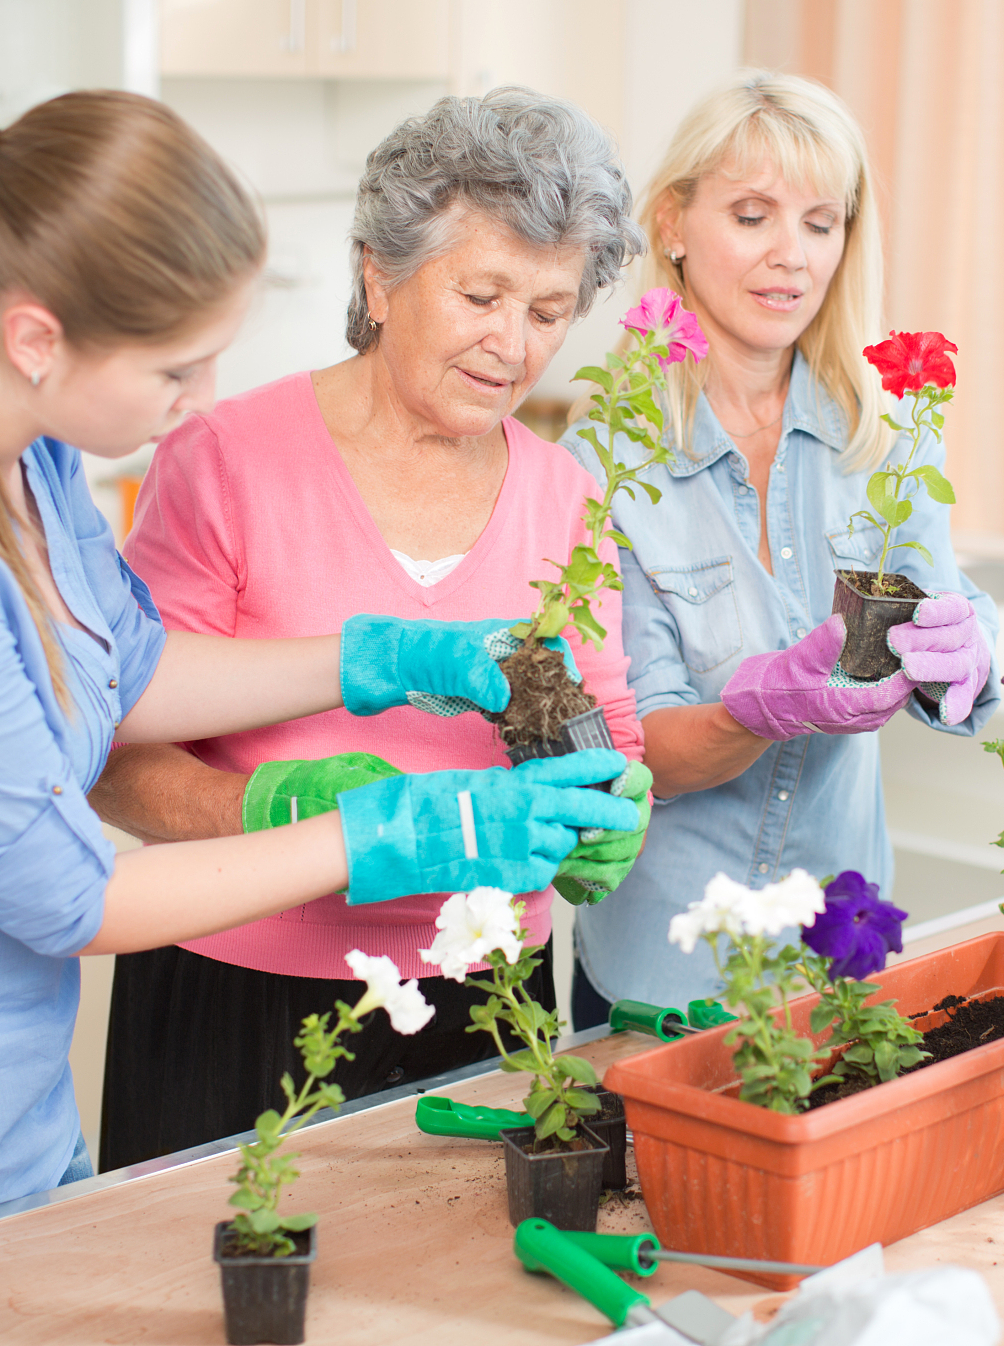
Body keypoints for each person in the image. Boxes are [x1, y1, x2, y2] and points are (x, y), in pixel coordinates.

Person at [0, 92, 637, 1276]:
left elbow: (135, 671)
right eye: (175, 365)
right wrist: (383, 830)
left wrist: (376, 660)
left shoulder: (31, 465)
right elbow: (67, 898)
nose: (206, 400)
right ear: (35, 339)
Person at [85, 88, 652, 1172]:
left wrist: (613, 805)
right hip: (240, 996)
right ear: (377, 276)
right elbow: (112, 757)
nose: (511, 345)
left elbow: (605, 716)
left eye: (546, 311)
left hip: (490, 1001)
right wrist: (269, 809)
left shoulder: (562, 497)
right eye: (480, 294)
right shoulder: (224, 460)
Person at [564, 72, 1000, 1024]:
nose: (791, 257)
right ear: (673, 222)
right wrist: (756, 711)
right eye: (753, 214)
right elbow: (631, 749)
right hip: (664, 967)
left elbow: (936, 611)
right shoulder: (602, 462)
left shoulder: (881, 436)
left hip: (837, 951)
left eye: (820, 221)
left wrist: (966, 655)